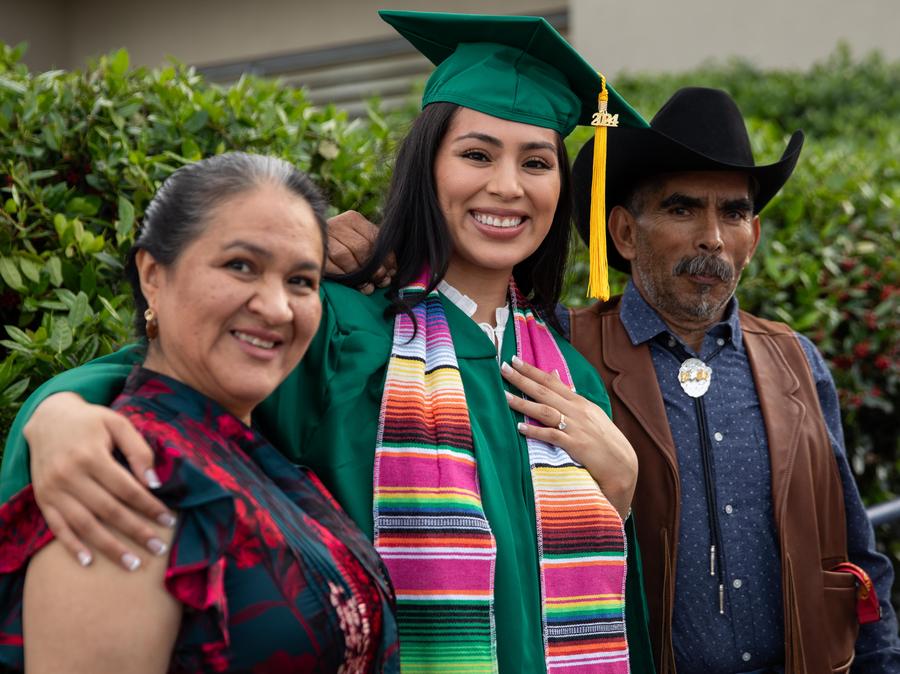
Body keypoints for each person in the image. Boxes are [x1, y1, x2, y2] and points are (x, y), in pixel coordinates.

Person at [0, 11, 658, 674]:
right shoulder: (344, 331)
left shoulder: (570, 380)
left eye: (537, 162)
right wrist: (58, 415)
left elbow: (608, 609)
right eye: (477, 154)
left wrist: (622, 485)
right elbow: (166, 383)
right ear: (427, 166)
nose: (508, 186)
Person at [0, 152, 399, 673]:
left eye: (301, 280)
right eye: (240, 266)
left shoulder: (269, 470)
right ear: (153, 276)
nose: (276, 308)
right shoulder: (122, 483)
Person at [564, 87, 900, 673]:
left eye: (735, 212)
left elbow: (855, 554)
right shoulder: (567, 352)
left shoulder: (797, 362)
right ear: (622, 232)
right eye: (682, 208)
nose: (713, 237)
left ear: (755, 237)